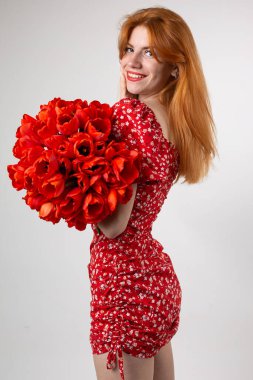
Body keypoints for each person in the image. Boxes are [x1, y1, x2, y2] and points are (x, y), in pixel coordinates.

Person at [87, 6, 217, 380]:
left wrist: (77, 186)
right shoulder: (175, 122)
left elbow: (114, 228)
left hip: (123, 287)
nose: (134, 61)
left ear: (175, 67)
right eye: (130, 49)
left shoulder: (129, 117)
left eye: (150, 52)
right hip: (155, 282)